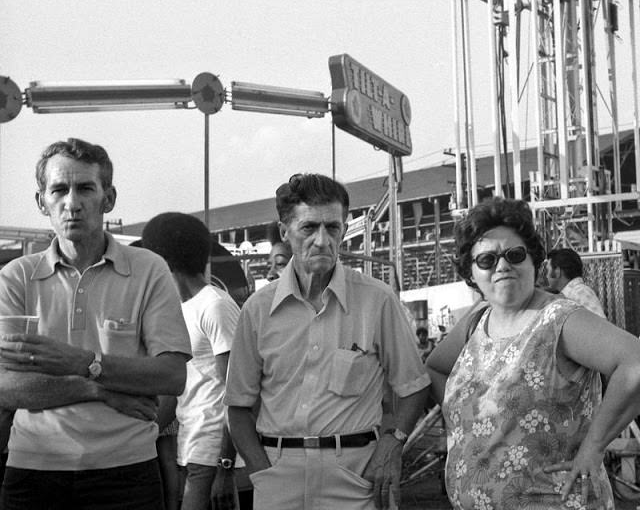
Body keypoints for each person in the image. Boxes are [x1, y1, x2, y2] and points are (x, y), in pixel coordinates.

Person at [0, 138, 192, 509]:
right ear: (42, 202)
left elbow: (172, 376)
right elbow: (7, 388)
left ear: (109, 198)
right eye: (59, 190)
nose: (72, 202)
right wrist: (97, 389)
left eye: (85, 188)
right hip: (32, 471)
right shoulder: (15, 277)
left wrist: (79, 361)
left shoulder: (148, 269)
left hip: (127, 472)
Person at [224, 173, 431, 510]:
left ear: (344, 230)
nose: (322, 240)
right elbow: (238, 406)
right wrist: (262, 473)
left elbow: (414, 386)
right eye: (309, 228)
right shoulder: (257, 311)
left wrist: (393, 443)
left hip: (357, 475)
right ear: (285, 232)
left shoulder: (377, 301)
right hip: (278, 476)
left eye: (332, 228)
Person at [426, 197, 640, 510]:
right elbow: (434, 368)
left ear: (533, 261)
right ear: (471, 273)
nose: (502, 266)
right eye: (487, 260)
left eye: (514, 255)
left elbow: (634, 362)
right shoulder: (476, 321)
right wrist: (468, 427)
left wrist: (593, 448)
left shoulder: (558, 319)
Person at [142, 212, 241, 510]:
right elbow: (178, 392)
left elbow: (237, 394)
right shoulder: (181, 310)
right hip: (188, 449)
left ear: (162, 261)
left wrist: (226, 465)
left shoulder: (215, 305)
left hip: (212, 455)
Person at [546, 247, 606, 318]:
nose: (546, 276)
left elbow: (599, 325)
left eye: (547, 270)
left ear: (557, 271)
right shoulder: (571, 294)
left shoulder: (580, 293)